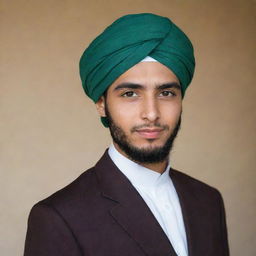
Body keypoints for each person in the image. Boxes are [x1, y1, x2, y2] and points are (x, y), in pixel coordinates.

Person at [24, 13, 229, 256]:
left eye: (166, 93)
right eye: (130, 94)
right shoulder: (58, 218)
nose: (151, 114)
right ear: (101, 103)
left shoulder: (208, 200)